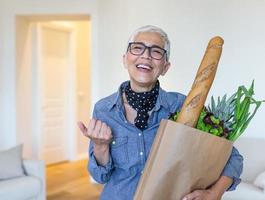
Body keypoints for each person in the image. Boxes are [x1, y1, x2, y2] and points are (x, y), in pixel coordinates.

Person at [78, 25, 243, 200]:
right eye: (137, 48)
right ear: (125, 59)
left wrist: (214, 193)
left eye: (156, 51)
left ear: (165, 67)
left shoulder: (183, 106)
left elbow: (233, 157)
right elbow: (100, 176)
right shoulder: (104, 109)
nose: (146, 55)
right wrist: (100, 146)